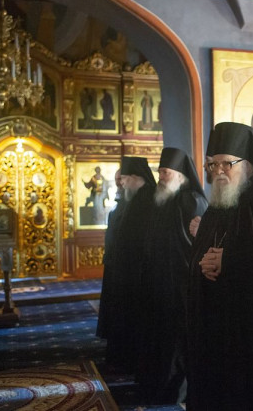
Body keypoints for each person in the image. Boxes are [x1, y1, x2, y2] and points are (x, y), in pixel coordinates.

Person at [186, 122, 253, 410]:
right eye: (213, 164)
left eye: (227, 164)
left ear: (248, 167)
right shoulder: (214, 209)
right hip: (212, 325)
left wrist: (227, 261)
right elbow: (197, 255)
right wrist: (202, 266)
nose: (218, 171)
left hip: (246, 330)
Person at [136, 148, 208, 405]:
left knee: (179, 340)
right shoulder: (161, 200)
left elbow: (198, 243)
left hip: (182, 283)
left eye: (166, 173)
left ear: (180, 175)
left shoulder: (192, 200)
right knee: (161, 336)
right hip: (160, 282)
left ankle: (176, 392)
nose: (161, 178)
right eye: (160, 173)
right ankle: (159, 386)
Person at [103, 156, 156, 374]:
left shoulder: (148, 199)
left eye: (124, 178)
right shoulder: (132, 198)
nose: (122, 183)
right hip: (125, 269)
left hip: (139, 271)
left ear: (136, 177)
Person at [96, 169, 125, 345]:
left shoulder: (134, 206)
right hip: (113, 263)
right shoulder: (119, 204)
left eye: (121, 179)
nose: (119, 183)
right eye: (116, 179)